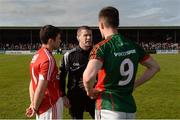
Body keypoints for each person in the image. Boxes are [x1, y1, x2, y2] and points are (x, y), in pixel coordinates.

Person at [83, 6, 160, 119]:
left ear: (102, 25)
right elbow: (155, 67)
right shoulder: (133, 45)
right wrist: (135, 84)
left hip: (108, 106)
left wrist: (89, 91)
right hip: (129, 108)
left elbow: (88, 77)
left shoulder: (101, 47)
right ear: (117, 24)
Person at [26, 25, 63, 119]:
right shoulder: (48, 59)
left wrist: (33, 103)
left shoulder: (37, 55)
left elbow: (32, 82)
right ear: (51, 40)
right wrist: (34, 106)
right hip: (50, 104)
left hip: (41, 105)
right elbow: (41, 87)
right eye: (58, 38)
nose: (60, 41)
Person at [59, 26, 95, 119]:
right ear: (78, 37)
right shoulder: (69, 55)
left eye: (90, 35)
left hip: (94, 94)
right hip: (75, 97)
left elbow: (105, 73)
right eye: (85, 35)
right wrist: (63, 95)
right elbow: (62, 76)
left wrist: (92, 82)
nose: (89, 38)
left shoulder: (98, 53)